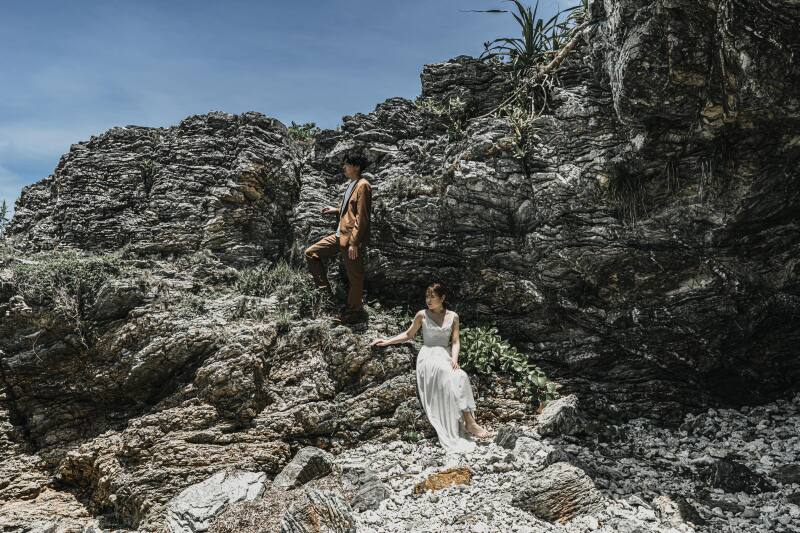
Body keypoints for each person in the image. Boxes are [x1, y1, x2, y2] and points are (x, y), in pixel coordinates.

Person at [371, 283, 490, 453]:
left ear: (442, 298)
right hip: (428, 355)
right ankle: (470, 423)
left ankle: (470, 422)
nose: (428, 301)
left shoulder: (453, 316)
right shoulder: (422, 315)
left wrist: (454, 359)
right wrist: (386, 341)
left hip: (445, 354)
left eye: (433, 297)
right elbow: (408, 334)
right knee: (445, 373)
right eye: (427, 297)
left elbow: (455, 341)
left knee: (461, 375)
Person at [304, 152, 372, 325]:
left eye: (347, 164)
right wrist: (335, 210)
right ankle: (326, 295)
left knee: (355, 277)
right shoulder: (352, 184)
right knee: (311, 253)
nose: (344, 167)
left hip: (350, 240)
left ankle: (354, 312)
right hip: (338, 236)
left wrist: (354, 243)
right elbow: (350, 209)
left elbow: (362, 217)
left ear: (356, 167)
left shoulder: (363, 185)